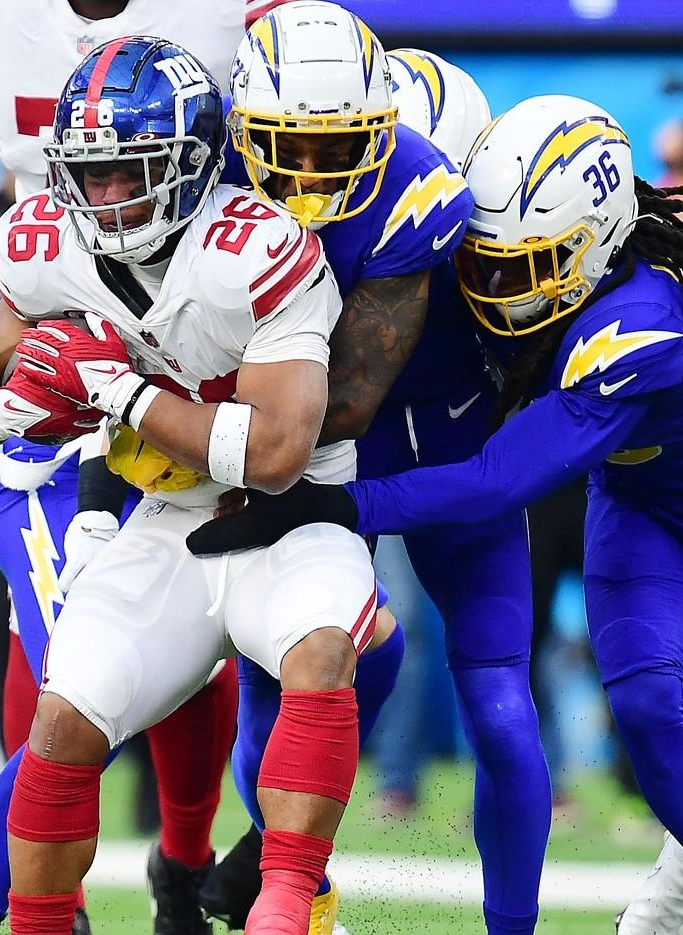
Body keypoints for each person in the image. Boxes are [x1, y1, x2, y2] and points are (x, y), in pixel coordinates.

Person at [187, 94, 683, 935]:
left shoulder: (637, 322)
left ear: (593, 243)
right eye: (485, 261)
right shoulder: (473, 252)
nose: (494, 288)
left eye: (523, 267)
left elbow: (498, 479)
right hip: (640, 504)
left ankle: (675, 891)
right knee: (644, 709)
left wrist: (342, 502)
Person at [0, 38, 377, 935]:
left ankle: (283, 906)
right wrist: (3, 417)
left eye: (127, 171)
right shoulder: (43, 244)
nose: (105, 197)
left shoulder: (252, 247)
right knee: (65, 712)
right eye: (87, 175)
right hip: (166, 519)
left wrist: (121, 391)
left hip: (289, 518)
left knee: (321, 647)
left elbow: (278, 449)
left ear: (190, 162)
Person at [0, 3, 251, 932]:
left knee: (209, 648)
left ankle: (187, 858)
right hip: (61, 353)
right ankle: (17, 905)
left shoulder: (238, 16)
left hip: (205, 359)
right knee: (72, 658)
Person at [210, 23, 551, 935]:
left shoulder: (441, 201)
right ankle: (300, 895)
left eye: (348, 149)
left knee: (495, 697)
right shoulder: (240, 168)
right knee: (277, 676)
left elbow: (355, 403)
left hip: (420, 442)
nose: (317, 174)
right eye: (302, 149)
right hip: (343, 440)